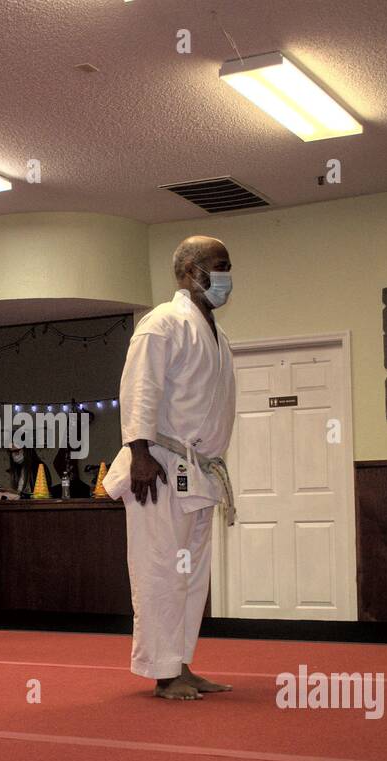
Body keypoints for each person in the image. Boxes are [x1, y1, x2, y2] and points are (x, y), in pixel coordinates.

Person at [103, 236, 237, 700]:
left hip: (197, 470)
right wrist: (138, 452)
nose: (225, 275)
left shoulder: (216, 334)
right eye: (218, 266)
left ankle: (180, 663)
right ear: (187, 272)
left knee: (191, 574)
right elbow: (140, 389)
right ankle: (162, 672)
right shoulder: (162, 322)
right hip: (158, 467)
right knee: (160, 570)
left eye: (227, 266)